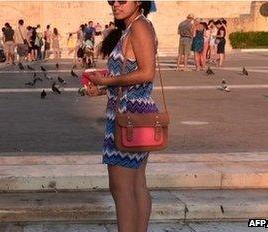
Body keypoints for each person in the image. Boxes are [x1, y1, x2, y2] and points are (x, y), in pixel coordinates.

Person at [85, 1, 157, 231]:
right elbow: (130, 74)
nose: (115, 4)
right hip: (134, 112)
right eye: (111, 0)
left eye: (122, 0)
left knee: (122, 189)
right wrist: (104, 89)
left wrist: (106, 81)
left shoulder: (139, 27)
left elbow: (146, 72)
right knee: (136, 186)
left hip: (129, 117)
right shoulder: (135, 27)